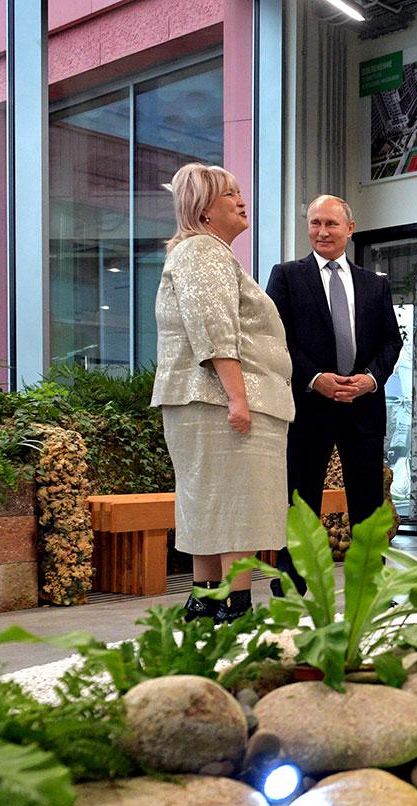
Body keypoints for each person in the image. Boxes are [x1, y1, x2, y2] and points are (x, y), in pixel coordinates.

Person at [151, 162, 294, 623]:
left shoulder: (201, 252)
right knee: (236, 504)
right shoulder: (203, 251)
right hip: (221, 400)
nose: (240, 199)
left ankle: (206, 598)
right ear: (204, 210)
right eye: (229, 193)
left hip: (205, 401)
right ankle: (234, 605)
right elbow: (213, 329)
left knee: (210, 502)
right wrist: (238, 397)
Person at [265, 195, 403, 593]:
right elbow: (276, 339)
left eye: (331, 224)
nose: (322, 231)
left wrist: (370, 380)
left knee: (368, 507)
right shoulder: (287, 276)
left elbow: (391, 342)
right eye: (315, 223)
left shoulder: (375, 284)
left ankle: (370, 589)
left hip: (363, 409)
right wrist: (315, 378)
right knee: (301, 502)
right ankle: (292, 589)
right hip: (310, 408)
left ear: (350, 228)